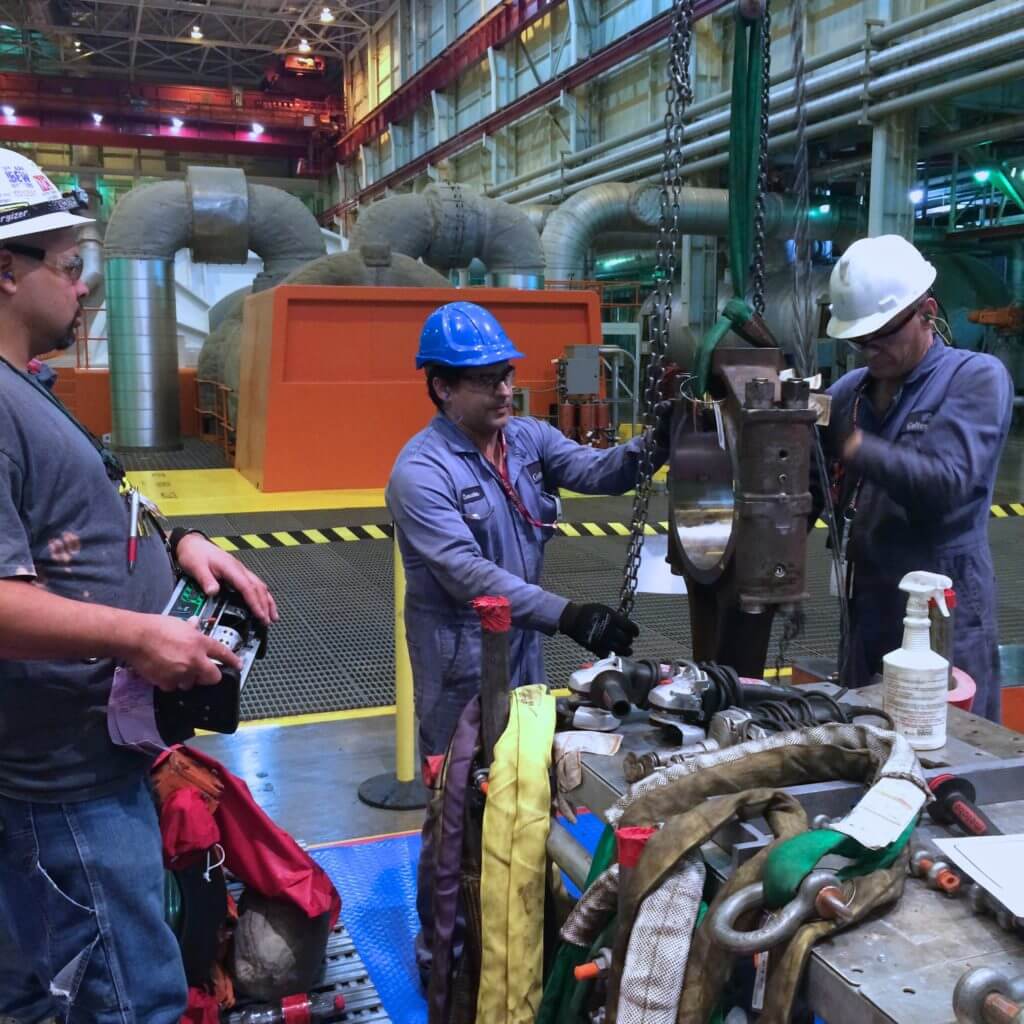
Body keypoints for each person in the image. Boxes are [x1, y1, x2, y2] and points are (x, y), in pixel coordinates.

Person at [0, 149, 279, 1023]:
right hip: (63, 790)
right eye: (70, 267)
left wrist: (185, 543)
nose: (83, 289)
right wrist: (139, 637)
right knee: (125, 998)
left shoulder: (25, 391)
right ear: (6, 272)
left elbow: (77, 514)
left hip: (92, 764)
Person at [386, 299, 667, 981]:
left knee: (524, 792)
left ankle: (521, 933)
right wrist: (573, 616)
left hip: (523, 654)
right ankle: (445, 961)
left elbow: (600, 473)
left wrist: (660, 440)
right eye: (487, 379)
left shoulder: (527, 440)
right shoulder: (419, 474)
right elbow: (466, 574)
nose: (506, 389)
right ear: (443, 386)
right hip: (459, 661)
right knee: (458, 811)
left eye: (507, 374)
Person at [819, 234, 1012, 721]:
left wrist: (855, 445)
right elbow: (807, 475)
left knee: (949, 748)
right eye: (858, 340)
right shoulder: (850, 391)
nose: (869, 350)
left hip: (943, 610)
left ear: (926, 312)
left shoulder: (975, 378)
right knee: (866, 742)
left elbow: (949, 481)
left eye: (881, 334)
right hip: (867, 605)